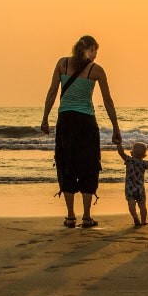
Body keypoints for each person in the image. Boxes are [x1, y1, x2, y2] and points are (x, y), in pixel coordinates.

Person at [41, 35, 121, 229]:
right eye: (95, 51)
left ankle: (70, 216)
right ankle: (86, 217)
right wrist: (115, 127)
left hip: (66, 120)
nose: (95, 56)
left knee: (66, 164)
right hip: (86, 121)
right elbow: (108, 101)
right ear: (91, 49)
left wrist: (45, 118)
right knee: (89, 165)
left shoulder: (62, 64)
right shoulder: (96, 70)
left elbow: (52, 92)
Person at [116, 141, 148, 226]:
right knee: (142, 205)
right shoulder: (144, 163)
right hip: (140, 189)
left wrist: (118, 144)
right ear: (144, 155)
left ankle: (135, 216)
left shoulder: (129, 160)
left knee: (131, 204)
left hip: (129, 188)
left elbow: (121, 153)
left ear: (131, 153)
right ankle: (143, 221)